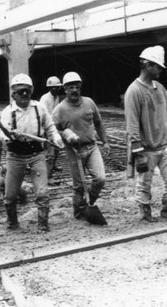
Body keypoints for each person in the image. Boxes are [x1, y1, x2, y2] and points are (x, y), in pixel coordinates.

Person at [0, 73, 64, 232]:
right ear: (13, 94)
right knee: (10, 195)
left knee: (42, 192)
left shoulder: (39, 109)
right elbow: (1, 132)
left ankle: (43, 225)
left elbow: (50, 127)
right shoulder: (8, 112)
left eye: (27, 91)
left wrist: (56, 138)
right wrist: (8, 137)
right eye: (20, 91)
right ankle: (12, 224)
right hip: (15, 156)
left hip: (36, 155)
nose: (24, 94)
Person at [124, 46, 167, 222]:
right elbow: (132, 124)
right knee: (144, 184)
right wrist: (138, 153)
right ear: (148, 65)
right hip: (146, 148)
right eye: (158, 67)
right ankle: (145, 213)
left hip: (165, 145)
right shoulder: (134, 91)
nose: (160, 71)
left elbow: (166, 116)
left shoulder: (160, 88)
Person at [52, 71, 110, 220]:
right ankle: (78, 212)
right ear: (64, 89)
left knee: (100, 179)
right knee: (78, 186)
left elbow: (98, 122)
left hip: (92, 147)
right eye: (70, 87)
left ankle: (88, 204)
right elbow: (52, 131)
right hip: (73, 151)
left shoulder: (89, 102)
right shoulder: (59, 110)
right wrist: (65, 134)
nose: (74, 90)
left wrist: (105, 141)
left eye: (77, 87)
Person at [39, 76, 63, 178]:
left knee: (57, 148)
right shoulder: (44, 99)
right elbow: (42, 116)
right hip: (46, 128)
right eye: (54, 87)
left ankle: (53, 166)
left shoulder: (57, 98)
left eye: (58, 87)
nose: (56, 89)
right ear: (49, 88)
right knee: (49, 152)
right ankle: (48, 175)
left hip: (54, 127)